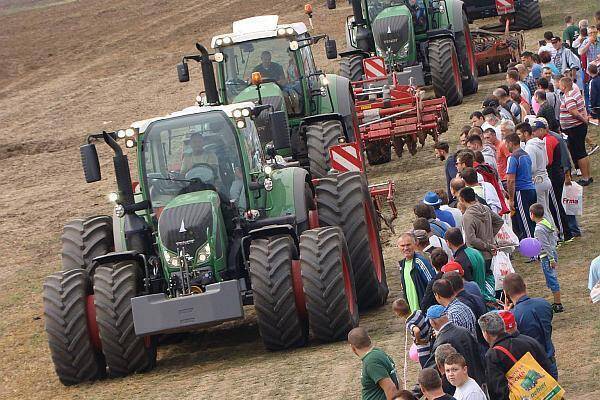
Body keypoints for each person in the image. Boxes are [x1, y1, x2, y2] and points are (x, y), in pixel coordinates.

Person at [478, 311, 554, 400]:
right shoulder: (528, 341)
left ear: (486, 333)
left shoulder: (493, 355)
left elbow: (498, 390)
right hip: (544, 394)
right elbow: (546, 366)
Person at [503, 273, 558, 379]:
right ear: (524, 286)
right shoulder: (544, 304)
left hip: (531, 367)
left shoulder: (513, 316)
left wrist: (506, 315)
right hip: (550, 361)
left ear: (506, 293)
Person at [424, 306, 486, 386]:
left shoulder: (442, 341)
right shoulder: (464, 331)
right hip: (478, 380)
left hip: (460, 383)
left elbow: (431, 368)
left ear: (432, 322)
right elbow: (479, 354)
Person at [531, 118, 571, 241]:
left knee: (556, 205)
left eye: (535, 131)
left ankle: (565, 233)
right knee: (553, 205)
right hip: (552, 174)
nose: (533, 133)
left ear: (542, 130)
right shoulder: (545, 140)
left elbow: (547, 161)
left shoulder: (548, 140)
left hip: (553, 175)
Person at [516, 122, 556, 229]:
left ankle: (550, 233)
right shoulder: (540, 143)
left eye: (519, 134)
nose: (518, 137)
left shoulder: (529, 147)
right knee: (546, 210)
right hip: (545, 178)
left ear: (526, 133)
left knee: (541, 212)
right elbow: (546, 161)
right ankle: (553, 233)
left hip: (537, 181)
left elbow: (532, 167)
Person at [458, 187, 503, 274]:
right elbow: (499, 221)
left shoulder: (467, 216)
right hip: (490, 254)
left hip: (477, 256)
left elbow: (471, 239)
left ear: (462, 199)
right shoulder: (485, 208)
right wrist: (489, 236)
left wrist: (487, 244)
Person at [444, 228, 493, 304]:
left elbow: (467, 285)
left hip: (476, 298)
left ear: (448, 242)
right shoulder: (476, 251)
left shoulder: (459, 261)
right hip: (485, 292)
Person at [348, 327, 399, 400]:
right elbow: (397, 379)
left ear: (352, 348)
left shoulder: (371, 361)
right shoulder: (378, 353)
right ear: (369, 338)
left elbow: (390, 388)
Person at [559, 76, 593, 185]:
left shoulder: (569, 97)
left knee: (579, 152)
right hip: (577, 127)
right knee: (582, 151)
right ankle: (587, 175)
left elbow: (574, 112)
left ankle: (585, 178)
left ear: (563, 87)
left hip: (575, 128)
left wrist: (584, 120)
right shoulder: (575, 93)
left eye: (560, 85)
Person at [530, 203, 563, 310]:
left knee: (552, 279)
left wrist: (551, 259)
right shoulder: (546, 223)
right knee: (551, 278)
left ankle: (558, 304)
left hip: (547, 257)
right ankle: (557, 302)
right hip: (551, 253)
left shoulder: (538, 229)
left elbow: (545, 245)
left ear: (532, 214)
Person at [505, 133, 537, 238]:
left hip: (521, 191)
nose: (506, 147)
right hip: (531, 189)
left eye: (506, 144)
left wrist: (511, 199)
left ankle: (532, 245)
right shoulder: (526, 155)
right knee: (533, 219)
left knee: (525, 222)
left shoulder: (513, 158)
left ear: (510, 143)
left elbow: (510, 180)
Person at [398, 232, 436, 312]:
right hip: (414, 312)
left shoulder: (420, 262)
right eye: (402, 246)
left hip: (425, 311)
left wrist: (425, 307)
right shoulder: (402, 265)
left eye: (408, 245)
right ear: (398, 247)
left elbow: (433, 284)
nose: (405, 248)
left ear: (415, 244)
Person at [393, 298, 432, 367]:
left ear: (399, 313)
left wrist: (418, 340)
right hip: (430, 339)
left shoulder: (409, 322)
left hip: (423, 347)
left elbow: (416, 330)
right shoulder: (417, 312)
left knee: (426, 366)